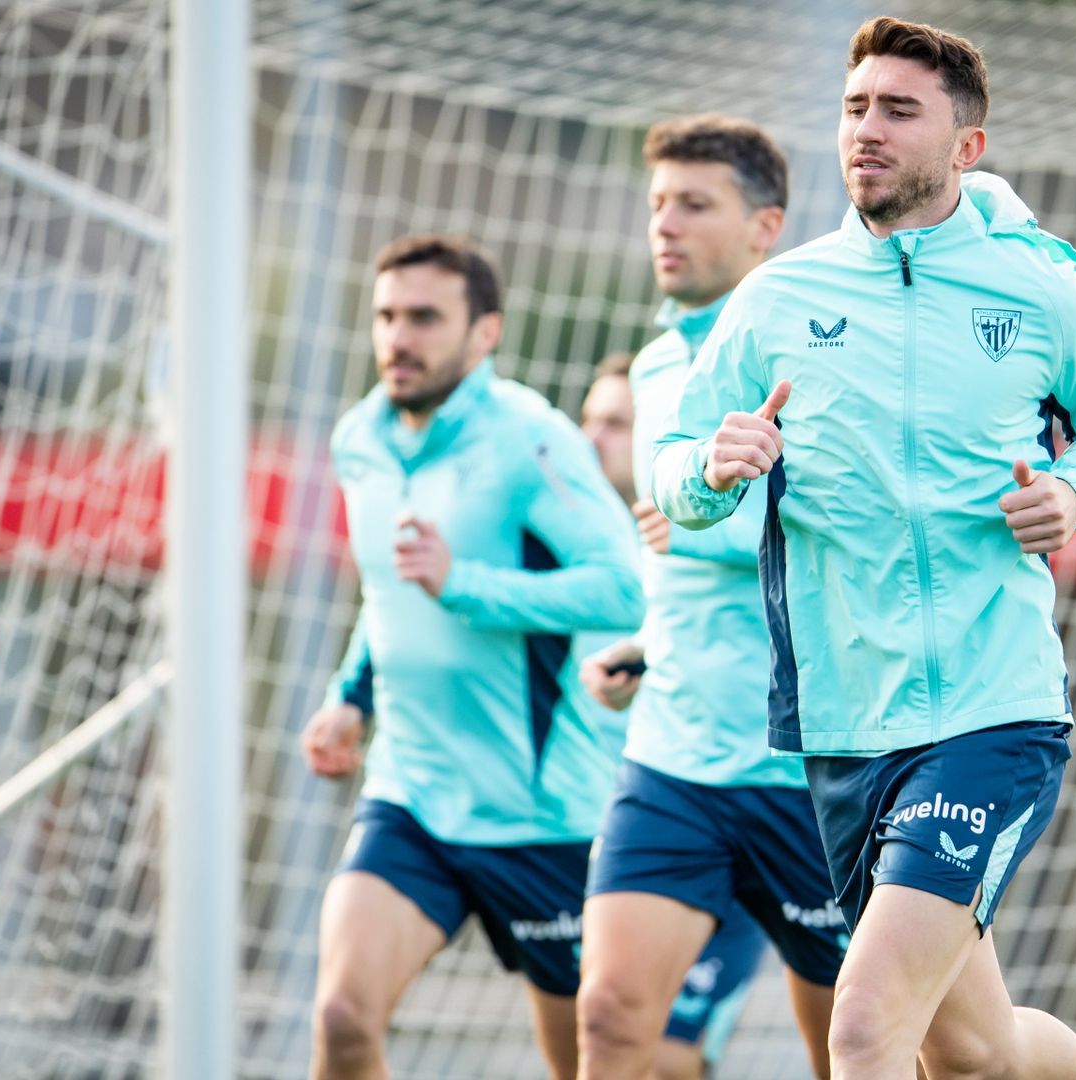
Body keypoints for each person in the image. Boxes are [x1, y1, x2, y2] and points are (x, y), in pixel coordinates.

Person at [651, 21, 1076, 1080]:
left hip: (992, 708)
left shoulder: (1037, 288)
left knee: (865, 1025)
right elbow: (670, 466)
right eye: (854, 108)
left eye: (898, 110)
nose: (866, 130)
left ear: (965, 148)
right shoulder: (780, 299)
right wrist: (710, 467)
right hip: (845, 723)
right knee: (972, 1050)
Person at [299, 234, 644, 1080]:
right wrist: (352, 696)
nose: (397, 339)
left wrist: (468, 586)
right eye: (385, 316)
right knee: (344, 1020)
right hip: (412, 795)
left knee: (593, 1066)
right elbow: (390, 596)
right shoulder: (359, 439)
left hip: (543, 816)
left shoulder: (533, 438)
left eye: (423, 318)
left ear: (483, 333)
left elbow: (620, 591)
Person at [574, 114, 846, 1080]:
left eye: (694, 203)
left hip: (808, 768)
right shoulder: (653, 364)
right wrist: (646, 647)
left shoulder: (814, 351)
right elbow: (686, 551)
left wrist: (699, 513)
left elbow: (825, 531)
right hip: (674, 758)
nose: (667, 224)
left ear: (764, 226)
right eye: (657, 204)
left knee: (860, 1051)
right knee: (610, 1019)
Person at [578, 350, 778, 1079]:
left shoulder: (703, 520)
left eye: (617, 423)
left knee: (667, 1056)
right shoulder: (589, 540)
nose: (595, 438)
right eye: (590, 421)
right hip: (625, 818)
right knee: (606, 1036)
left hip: (755, 801)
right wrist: (638, 656)